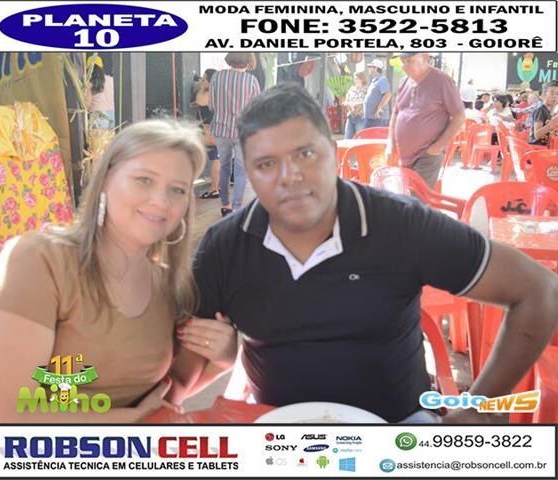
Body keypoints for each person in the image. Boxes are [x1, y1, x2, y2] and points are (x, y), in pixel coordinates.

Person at [192, 83, 558, 424]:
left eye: (305, 154)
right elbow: (185, 359)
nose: (290, 176)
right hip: (279, 431)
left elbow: (539, 291)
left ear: (332, 152)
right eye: (266, 164)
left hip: (399, 428)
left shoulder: (399, 224)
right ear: (247, 171)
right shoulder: (225, 245)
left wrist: (481, 411)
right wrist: (219, 357)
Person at [0, 120, 237, 422]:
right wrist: (128, 420)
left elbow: (168, 393)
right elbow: (3, 415)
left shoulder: (170, 284)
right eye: (144, 180)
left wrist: (221, 361)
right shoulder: (40, 260)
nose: (161, 201)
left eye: (177, 190)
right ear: (106, 179)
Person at [387, 53, 465, 188]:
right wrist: (390, 144)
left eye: (409, 61)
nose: (404, 67)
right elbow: (396, 112)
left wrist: (437, 147)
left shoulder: (442, 81)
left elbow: (459, 116)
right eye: (403, 62)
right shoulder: (404, 81)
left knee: (417, 196)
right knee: (404, 193)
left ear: (425, 58)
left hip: (427, 154)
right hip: (404, 155)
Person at [209, 52, 261, 217]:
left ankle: (225, 205)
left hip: (221, 129)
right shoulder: (251, 81)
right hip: (242, 131)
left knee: (224, 167)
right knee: (240, 171)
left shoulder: (217, 77)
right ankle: (236, 208)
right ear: (249, 61)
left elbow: (211, 106)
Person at [194, 68, 220, 199]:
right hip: (217, 131)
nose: (202, 81)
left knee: (214, 158)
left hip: (205, 132)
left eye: (204, 79)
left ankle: (214, 188)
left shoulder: (202, 95)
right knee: (217, 158)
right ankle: (216, 188)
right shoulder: (219, 95)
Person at [86, 55, 115, 129]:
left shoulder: (89, 83)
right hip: (113, 114)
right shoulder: (111, 79)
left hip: (98, 116)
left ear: (88, 69)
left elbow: (87, 104)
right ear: (102, 67)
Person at [363, 59, 392, 128]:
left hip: (378, 119)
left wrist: (379, 108)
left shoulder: (382, 79)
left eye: (371, 67)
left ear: (376, 68)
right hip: (371, 118)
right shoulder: (374, 81)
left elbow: (388, 95)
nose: (369, 69)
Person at [529, 81, 558, 146]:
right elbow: (537, 135)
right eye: (552, 93)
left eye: (557, 94)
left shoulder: (549, 111)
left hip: (547, 146)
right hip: (537, 147)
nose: (555, 96)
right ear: (544, 95)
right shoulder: (540, 110)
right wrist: (554, 121)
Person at [343, 72, 368, 139]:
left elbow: (366, 102)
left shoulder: (367, 90)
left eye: (357, 79)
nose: (356, 80)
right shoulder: (351, 89)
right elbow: (347, 100)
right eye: (355, 79)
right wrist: (348, 104)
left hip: (361, 117)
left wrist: (356, 104)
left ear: (362, 79)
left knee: (360, 137)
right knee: (347, 137)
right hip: (351, 116)